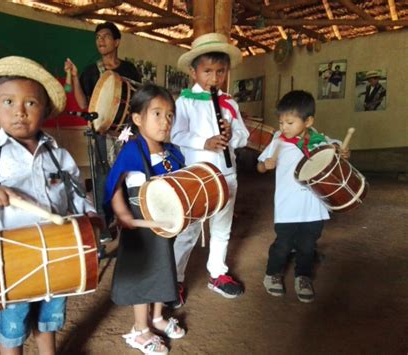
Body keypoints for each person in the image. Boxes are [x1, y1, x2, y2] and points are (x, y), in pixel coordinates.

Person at [0, 56, 99, 354]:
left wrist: (89, 214)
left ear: (45, 109)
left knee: (50, 316)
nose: (19, 112)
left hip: (58, 250)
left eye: (30, 103)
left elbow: (77, 193)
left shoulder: (60, 157)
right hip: (13, 257)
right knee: (13, 324)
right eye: (8, 102)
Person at [169, 33, 250, 308]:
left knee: (222, 228)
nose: (214, 78)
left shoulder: (229, 103)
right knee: (188, 231)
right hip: (197, 178)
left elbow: (244, 136)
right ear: (194, 71)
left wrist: (232, 134)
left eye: (220, 72)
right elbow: (175, 134)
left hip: (227, 175)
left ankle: (217, 273)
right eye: (207, 72)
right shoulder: (186, 101)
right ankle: (175, 280)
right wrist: (204, 142)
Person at [104, 84, 186, 354]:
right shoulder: (132, 151)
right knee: (142, 274)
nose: (165, 122)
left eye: (170, 115)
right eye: (158, 114)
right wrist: (123, 213)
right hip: (140, 223)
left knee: (163, 269)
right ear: (138, 119)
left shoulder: (172, 152)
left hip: (163, 223)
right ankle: (140, 328)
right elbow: (115, 184)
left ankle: (158, 317)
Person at [257, 90, 349, 303]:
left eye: (289, 123)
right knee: (283, 243)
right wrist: (265, 165)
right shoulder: (278, 142)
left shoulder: (320, 140)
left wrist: (342, 151)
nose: (283, 128)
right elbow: (260, 166)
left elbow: (337, 149)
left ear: (308, 121)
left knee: (308, 245)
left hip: (314, 207)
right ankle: (272, 273)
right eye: (281, 123)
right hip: (287, 206)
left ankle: (303, 276)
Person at [64, 21, 141, 244]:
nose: (101, 40)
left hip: (126, 130)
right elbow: (83, 104)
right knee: (102, 176)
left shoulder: (128, 69)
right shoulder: (91, 71)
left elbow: (137, 98)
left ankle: (127, 217)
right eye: (98, 37)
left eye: (106, 36)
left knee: (128, 170)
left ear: (116, 41)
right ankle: (103, 224)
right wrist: (76, 77)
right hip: (102, 132)